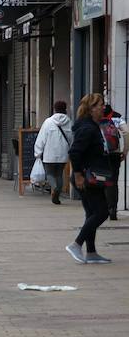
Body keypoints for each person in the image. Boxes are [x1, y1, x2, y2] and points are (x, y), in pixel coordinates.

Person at [68, 93, 113, 264]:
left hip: (91, 176)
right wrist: (78, 175)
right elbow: (74, 152)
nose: (103, 107)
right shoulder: (87, 128)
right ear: (91, 109)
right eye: (100, 105)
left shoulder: (92, 126)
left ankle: (91, 252)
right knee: (101, 213)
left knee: (91, 214)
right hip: (87, 177)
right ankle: (76, 244)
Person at [33, 100, 73, 205]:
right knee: (59, 174)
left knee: (49, 174)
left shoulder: (48, 122)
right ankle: (58, 192)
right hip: (63, 154)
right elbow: (72, 138)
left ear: (54, 109)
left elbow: (41, 138)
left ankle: (54, 188)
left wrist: (38, 152)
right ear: (65, 109)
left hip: (49, 154)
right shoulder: (69, 122)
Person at [101, 104, 125, 220]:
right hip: (115, 154)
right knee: (113, 182)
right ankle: (113, 209)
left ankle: (103, 208)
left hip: (101, 154)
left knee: (102, 180)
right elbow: (127, 133)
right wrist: (125, 151)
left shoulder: (96, 119)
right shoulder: (117, 119)